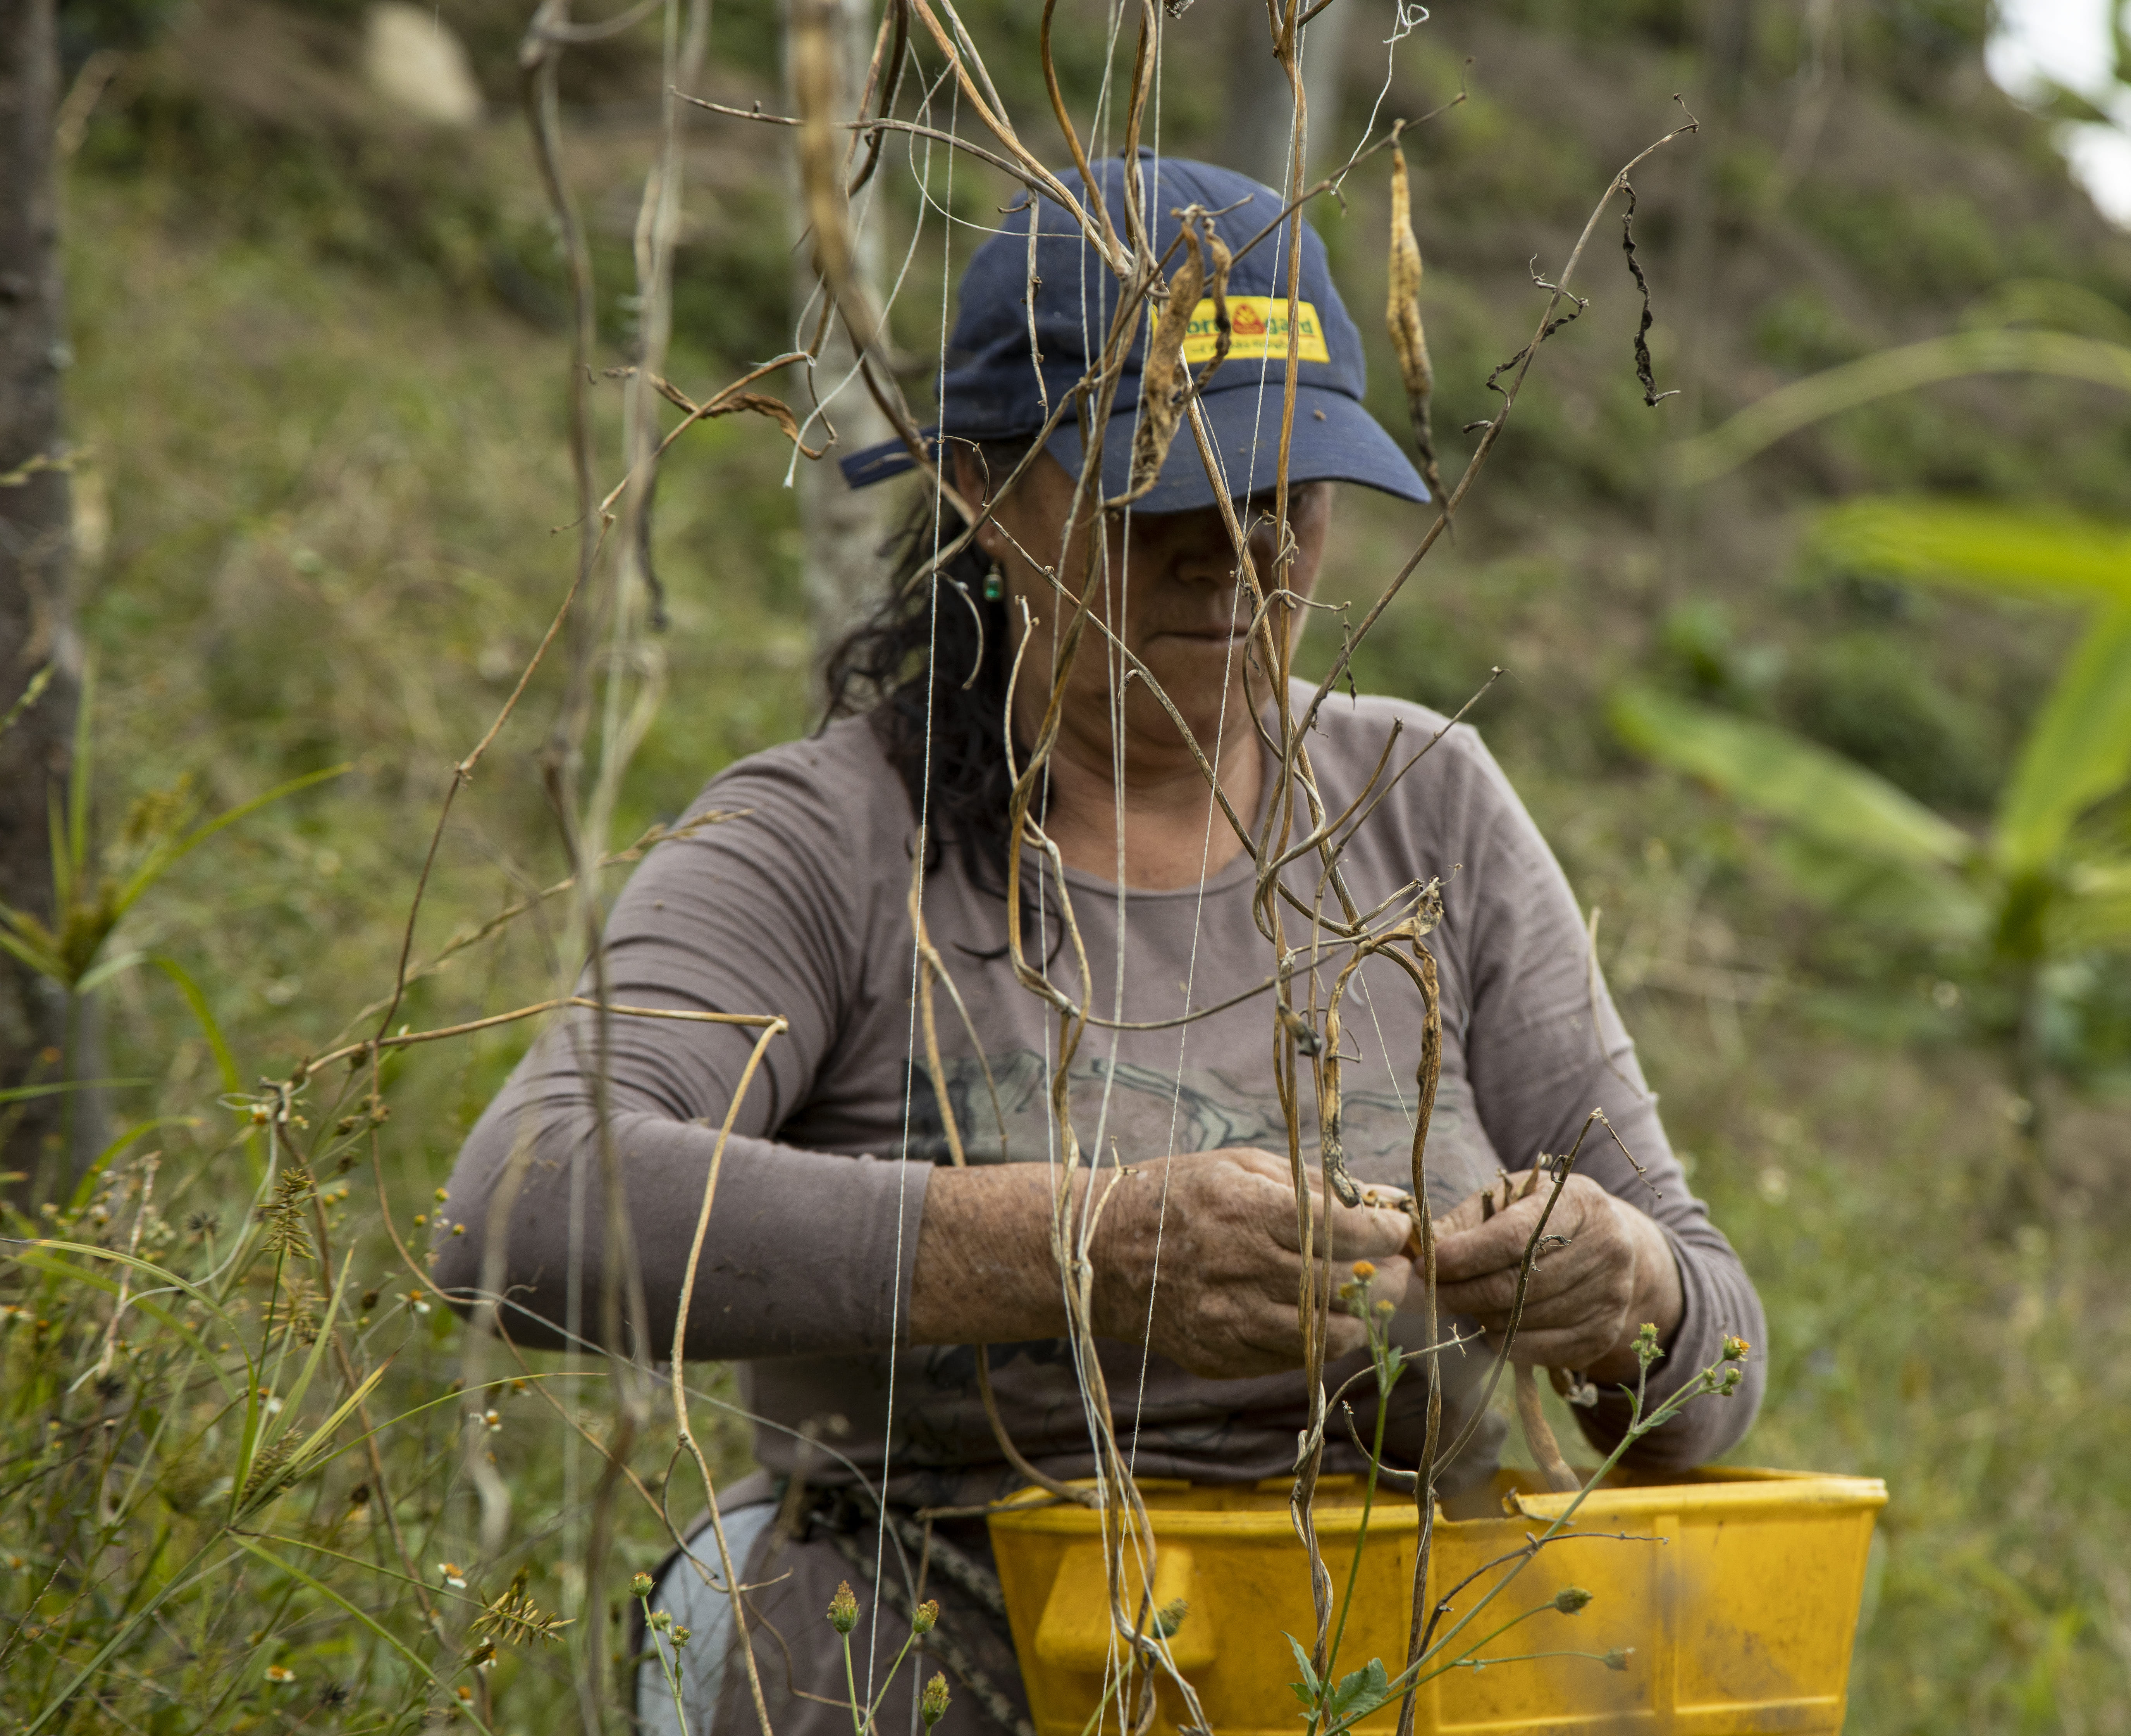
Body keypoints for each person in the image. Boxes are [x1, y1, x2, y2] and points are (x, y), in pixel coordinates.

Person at [435, 154, 1766, 1736]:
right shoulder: (830, 841)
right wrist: (1079, 1250)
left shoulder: (1427, 808)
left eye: (1290, 488)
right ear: (985, 490)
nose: (1239, 545)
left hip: (1378, 1659)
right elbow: (523, 1207)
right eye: (1162, 490)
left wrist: (1627, 1293)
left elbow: (1716, 1359)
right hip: (934, 1641)